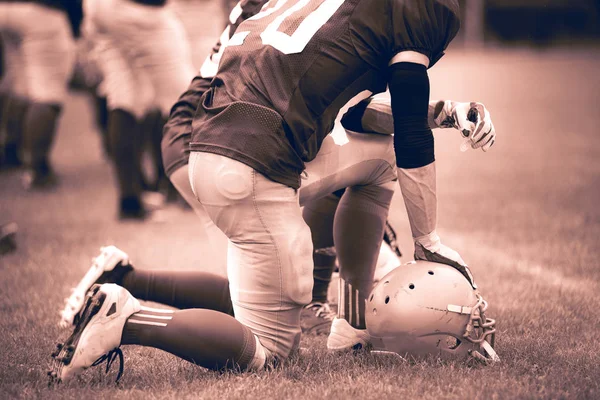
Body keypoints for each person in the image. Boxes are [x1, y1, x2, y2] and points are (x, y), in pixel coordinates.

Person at [52, 0, 497, 381]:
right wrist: (428, 240)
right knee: (269, 347)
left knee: (374, 165)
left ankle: (349, 320)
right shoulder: (420, 9)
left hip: (220, 139)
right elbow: (408, 128)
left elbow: (351, 114)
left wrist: (442, 111)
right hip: (247, 158)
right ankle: (128, 317)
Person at [81, 0, 196, 219]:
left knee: (126, 97)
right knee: (185, 96)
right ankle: (189, 194)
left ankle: (130, 200)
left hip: (99, 7)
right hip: (138, 9)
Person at [0, 0, 76, 188]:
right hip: (41, 10)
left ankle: (11, 151)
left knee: (19, 84)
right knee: (47, 92)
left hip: (5, 9)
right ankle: (37, 169)